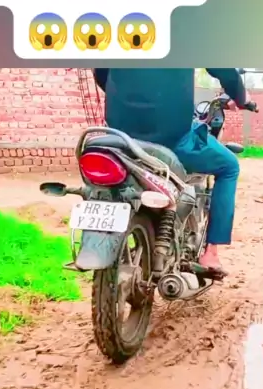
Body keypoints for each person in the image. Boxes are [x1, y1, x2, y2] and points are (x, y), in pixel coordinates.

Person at [93, 68, 248, 275]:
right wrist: (241, 97)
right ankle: (211, 253)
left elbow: (101, 73)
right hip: (172, 140)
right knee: (229, 166)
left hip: (120, 136)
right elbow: (224, 69)